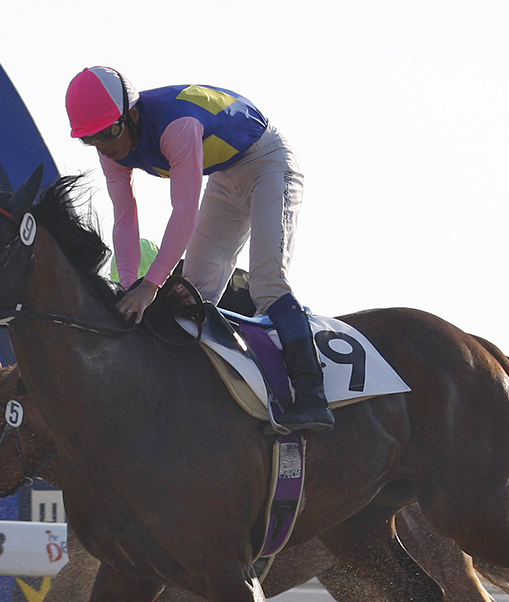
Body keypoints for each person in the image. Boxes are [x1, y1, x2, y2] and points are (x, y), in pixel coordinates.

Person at [65, 66, 333, 433]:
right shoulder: (111, 148)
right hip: (224, 175)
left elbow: (184, 211)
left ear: (132, 116)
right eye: (90, 139)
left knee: (267, 283)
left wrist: (150, 286)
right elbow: (125, 219)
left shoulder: (178, 126)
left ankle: (312, 398)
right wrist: (129, 289)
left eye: (109, 132)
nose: (104, 146)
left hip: (268, 162)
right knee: (194, 293)